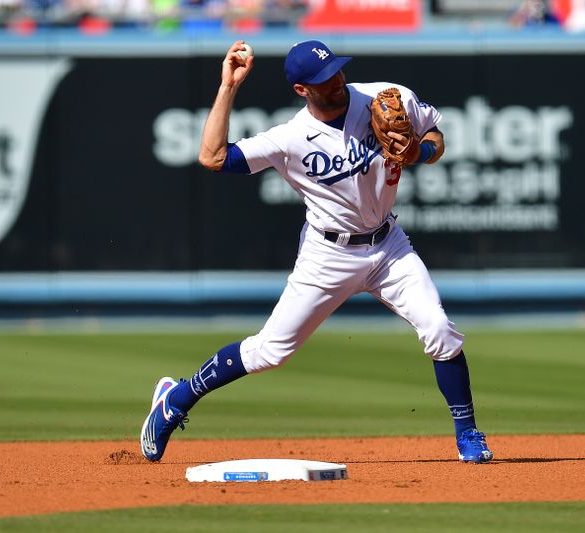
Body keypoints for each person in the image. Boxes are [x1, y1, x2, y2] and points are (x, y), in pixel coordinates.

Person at [139, 40, 494, 465]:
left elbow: (435, 136)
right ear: (302, 89)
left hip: (389, 246)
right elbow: (212, 157)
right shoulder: (290, 138)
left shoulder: (385, 97)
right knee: (269, 352)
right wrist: (228, 87)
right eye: (325, 80)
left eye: (338, 71)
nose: (337, 81)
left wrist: (422, 151)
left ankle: (468, 433)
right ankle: (175, 398)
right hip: (328, 254)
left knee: (439, 329)